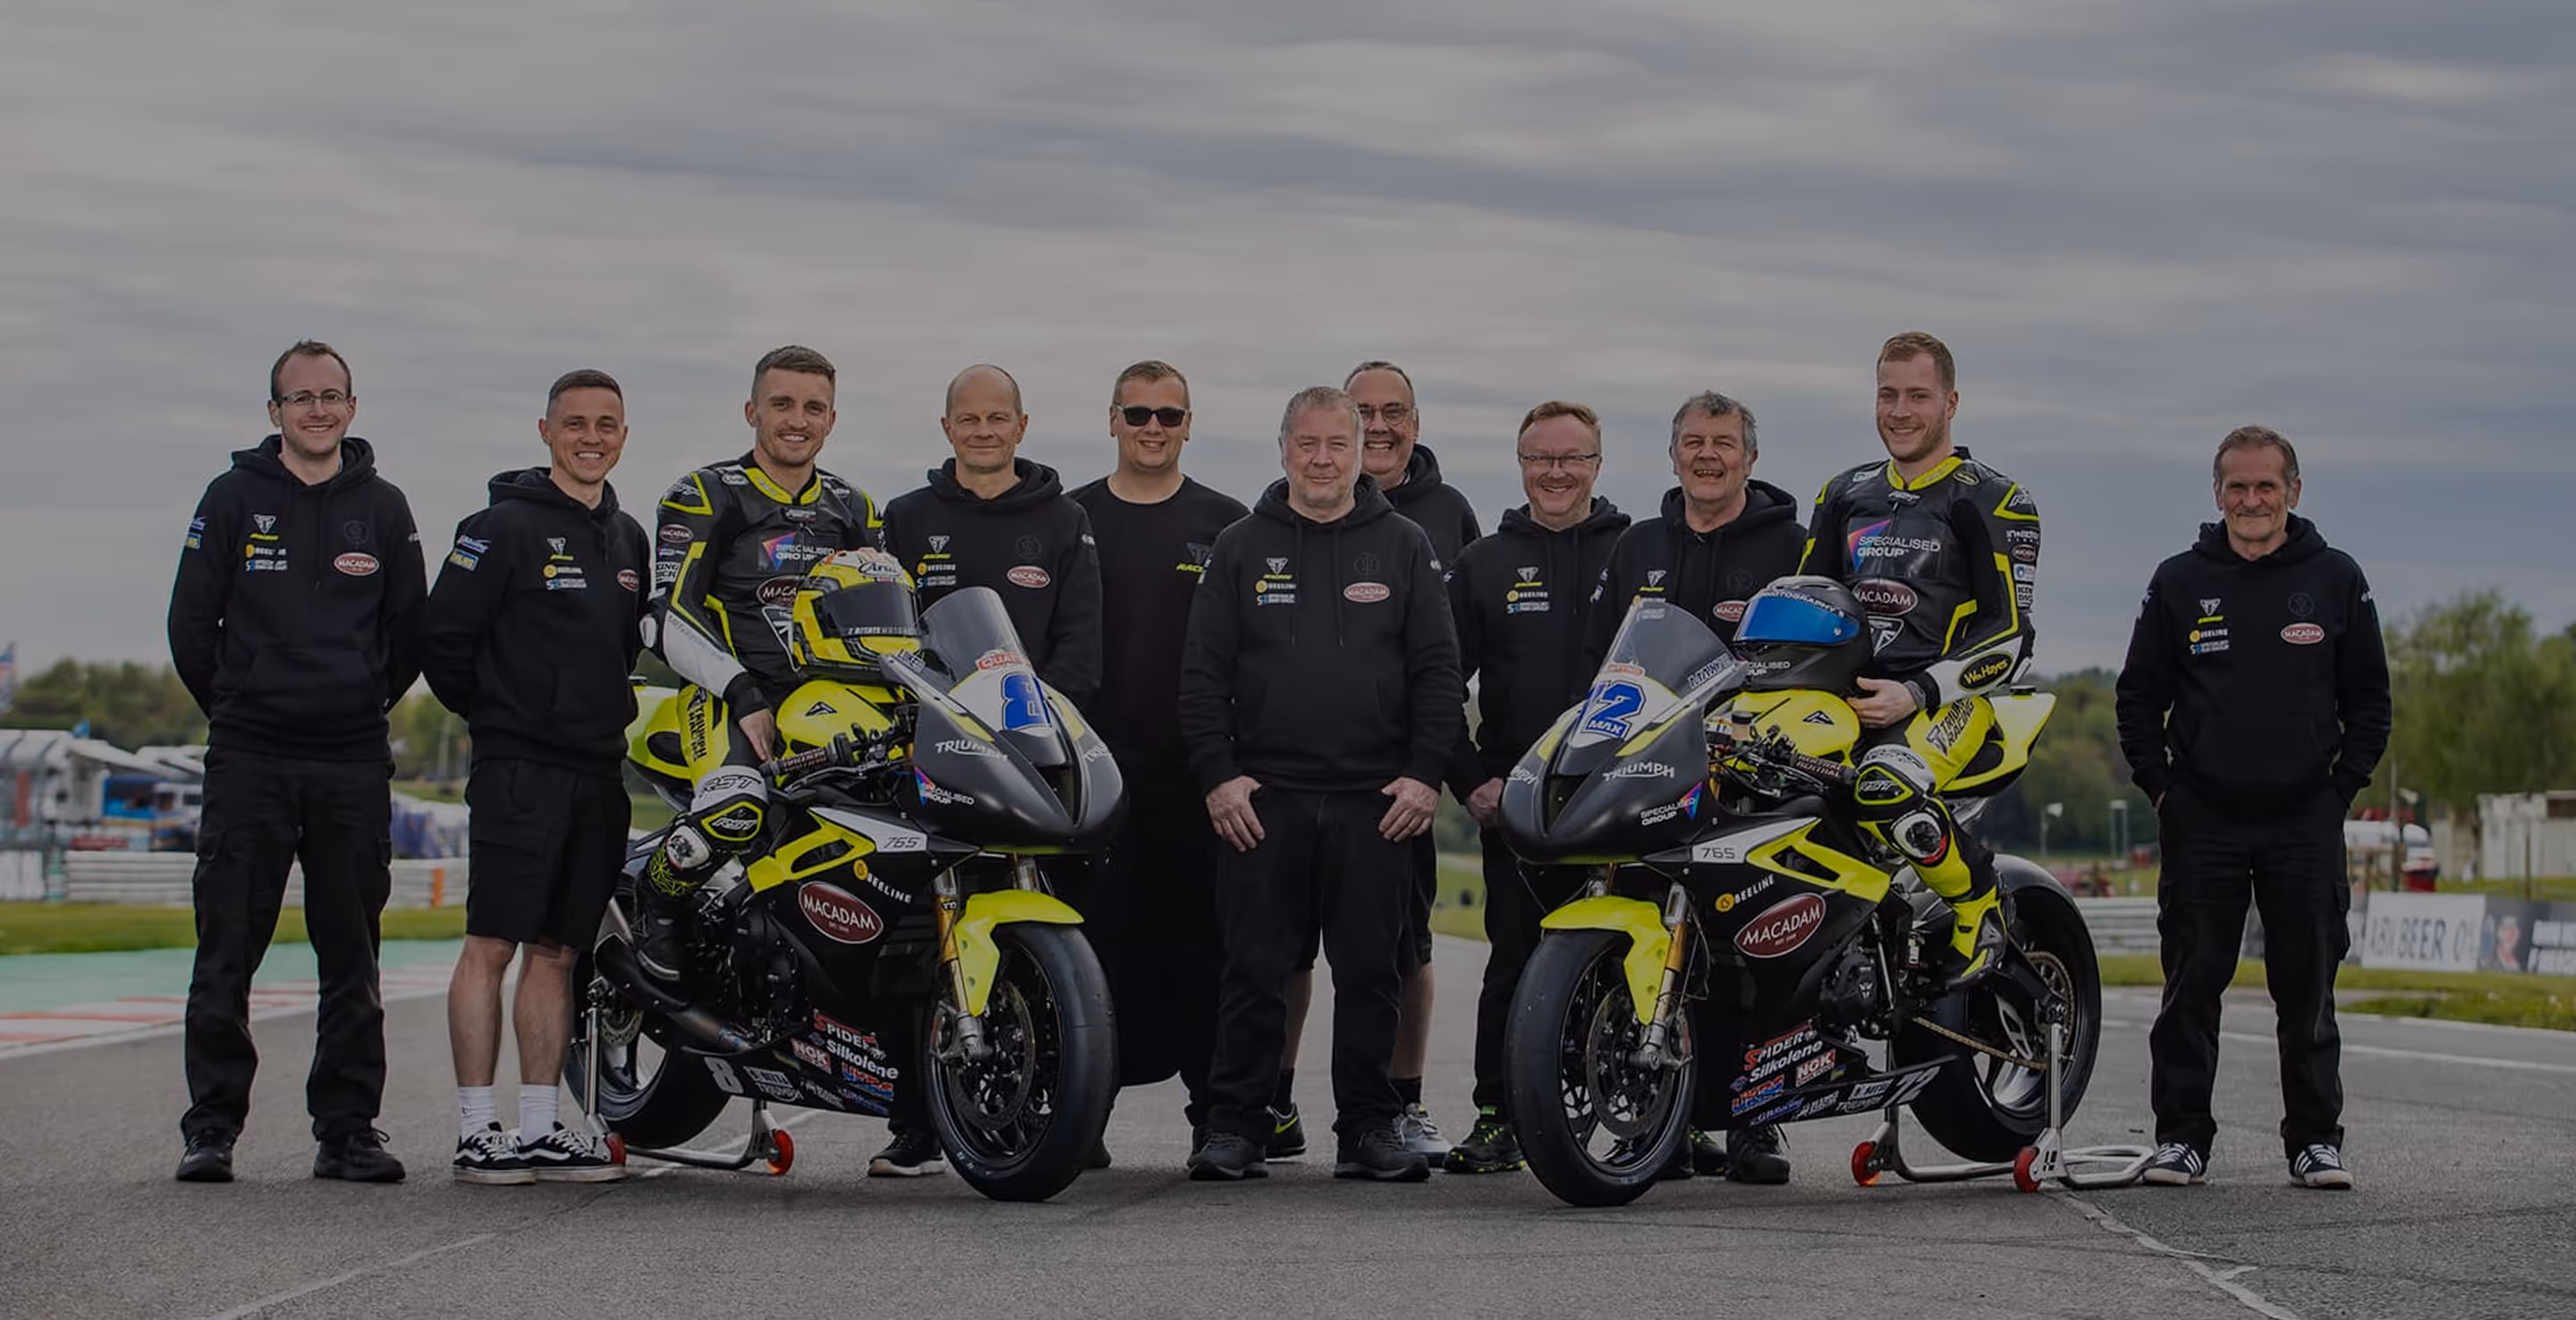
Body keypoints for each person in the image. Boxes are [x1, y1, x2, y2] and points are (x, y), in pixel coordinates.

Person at [1178, 385, 1463, 1182]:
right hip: (1262, 803)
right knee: (1254, 969)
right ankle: (1237, 1125)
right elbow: (1201, 676)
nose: (1323, 458)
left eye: (1337, 443)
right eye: (1307, 443)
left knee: (1373, 972)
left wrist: (1422, 776)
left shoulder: (1404, 545)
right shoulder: (1240, 546)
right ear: (1283, 449)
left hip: (1379, 805)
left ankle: (1368, 1128)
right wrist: (1219, 778)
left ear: (1357, 447)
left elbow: (1439, 674)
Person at [165, 339, 425, 1184]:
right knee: (226, 946)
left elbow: (407, 638)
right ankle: (211, 1128)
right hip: (250, 756)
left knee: (351, 949)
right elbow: (190, 626)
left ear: (353, 408)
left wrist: (353, 704)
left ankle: (346, 1130)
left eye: (333, 396)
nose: (318, 409)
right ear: (273, 411)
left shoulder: (383, 507)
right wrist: (244, 707)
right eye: (300, 397)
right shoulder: (232, 496)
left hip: (350, 758)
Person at [637, 346, 900, 1167]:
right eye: (781, 404)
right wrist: (744, 689)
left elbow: (894, 613)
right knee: (740, 807)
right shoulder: (705, 493)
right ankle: (657, 912)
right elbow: (665, 616)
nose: (797, 420)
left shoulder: (855, 503)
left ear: (832, 416)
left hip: (833, 702)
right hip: (726, 693)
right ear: (752, 411)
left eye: (813, 407)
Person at [2115, 426, 2388, 1190]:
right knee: (2191, 987)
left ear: (2293, 492)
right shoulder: (2177, 581)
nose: (2252, 500)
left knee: (2307, 988)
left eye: (2267, 486)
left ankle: (2314, 1141)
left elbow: (2371, 700)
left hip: (2305, 817)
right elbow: (2138, 697)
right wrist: (2162, 788)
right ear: (2218, 494)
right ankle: (2181, 1139)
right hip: (2203, 817)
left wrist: (2341, 789)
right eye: (2238, 486)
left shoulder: (2336, 578)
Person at [420, 369, 650, 1185]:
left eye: (608, 424)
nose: (593, 437)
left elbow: (622, 651)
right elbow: (440, 640)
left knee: (557, 952)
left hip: (598, 772)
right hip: (518, 766)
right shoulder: (499, 526)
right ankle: (478, 1128)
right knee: (491, 944)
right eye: (577, 423)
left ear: (625, 434)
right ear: (546, 431)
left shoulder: (627, 538)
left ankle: (542, 1122)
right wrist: (506, 715)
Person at [1265, 360, 1481, 1162]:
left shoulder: (1446, 518)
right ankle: (1272, 1105)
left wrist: (1439, 770)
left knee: (1403, 949)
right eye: (1365, 412)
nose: (1379, 426)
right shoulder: (1276, 526)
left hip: (1394, 786)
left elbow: (1452, 661)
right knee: (1280, 951)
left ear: (1413, 424)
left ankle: (1399, 1104)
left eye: (1394, 412)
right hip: (1298, 786)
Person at [1586, 390, 1805, 1182]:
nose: (1706, 454)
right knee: (1650, 952)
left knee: (1754, 956)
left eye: (1722, 442)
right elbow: (1605, 661)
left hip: (1754, 781)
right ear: (1672, 453)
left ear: (1751, 455)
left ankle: (1757, 1122)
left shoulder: (1792, 544)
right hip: (1649, 779)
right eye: (1692, 441)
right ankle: (1660, 1124)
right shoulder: (1637, 544)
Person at [1799, 332, 2038, 991]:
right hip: (1839, 703)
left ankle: (1978, 904)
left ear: (1951, 402)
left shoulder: (1992, 497)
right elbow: (1800, 601)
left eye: (1917, 395)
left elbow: (2012, 636)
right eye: (1887, 394)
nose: (1899, 411)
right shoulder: (1843, 491)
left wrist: (1917, 692)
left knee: (1885, 786)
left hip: (1948, 703)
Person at [1436, 402, 1629, 1174]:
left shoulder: (1636, 551)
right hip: (1521, 801)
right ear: (1521, 464)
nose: (1556, 472)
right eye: (1541, 458)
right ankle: (1498, 1117)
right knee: (1513, 961)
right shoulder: (1484, 562)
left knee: (1642, 960)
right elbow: (1437, 681)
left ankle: (1671, 1116)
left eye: (1572, 458)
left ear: (1597, 465)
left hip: (1626, 795)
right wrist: (1471, 779)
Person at [1067, 360, 1250, 1161]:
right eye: (1137, 414)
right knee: (1088, 947)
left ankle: (1216, 1115)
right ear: (1111, 419)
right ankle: (1077, 1119)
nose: (1152, 428)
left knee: (1198, 948)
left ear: (1187, 424)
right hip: (1087, 773)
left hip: (1191, 775)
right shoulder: (1069, 516)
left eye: (1168, 415)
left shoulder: (1228, 523)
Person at [881, 364, 1105, 709]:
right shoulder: (906, 517)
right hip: (933, 724)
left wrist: (1037, 714)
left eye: (998, 418)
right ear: (948, 427)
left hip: (1037, 726)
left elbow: (1081, 645)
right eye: (969, 419)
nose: (983, 431)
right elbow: (890, 637)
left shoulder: (1065, 519)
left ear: (1021, 426)